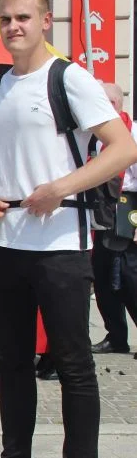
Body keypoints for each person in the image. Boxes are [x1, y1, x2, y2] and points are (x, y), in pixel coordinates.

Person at [0, 0, 137, 458]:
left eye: (24, 18)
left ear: (45, 22)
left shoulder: (70, 78)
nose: (14, 27)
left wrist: (61, 186)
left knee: (75, 368)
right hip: (5, 244)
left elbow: (123, 148)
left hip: (60, 245)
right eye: (6, 18)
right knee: (11, 363)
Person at [90, 81, 137, 356]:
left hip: (129, 208)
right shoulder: (97, 137)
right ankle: (115, 336)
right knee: (103, 276)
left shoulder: (132, 133)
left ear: (114, 104)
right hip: (104, 211)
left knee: (131, 276)